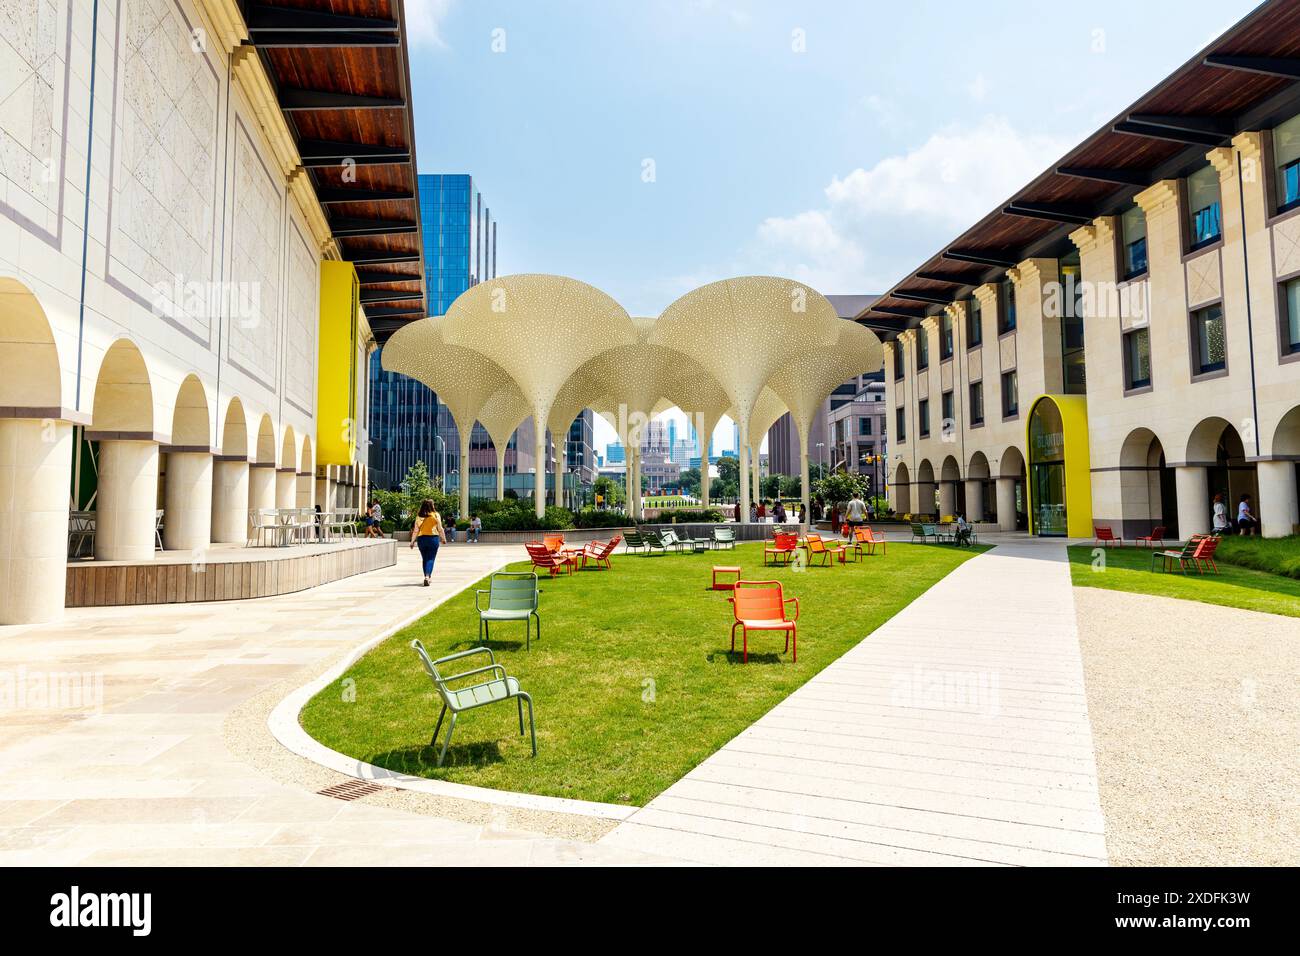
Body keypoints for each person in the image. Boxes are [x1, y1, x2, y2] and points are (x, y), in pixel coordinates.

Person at [409, 499, 444, 587]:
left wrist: (412, 541)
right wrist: (443, 538)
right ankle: (427, 576)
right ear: (432, 506)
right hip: (433, 539)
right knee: (430, 559)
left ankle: (427, 576)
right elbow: (440, 529)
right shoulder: (436, 515)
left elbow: (415, 531)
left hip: (422, 539)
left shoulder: (419, 516)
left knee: (425, 559)